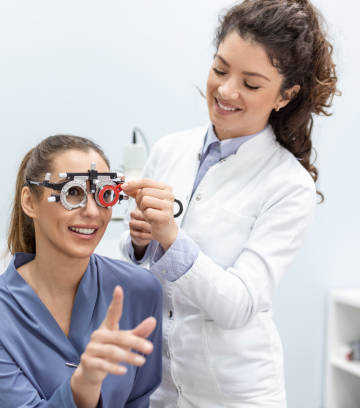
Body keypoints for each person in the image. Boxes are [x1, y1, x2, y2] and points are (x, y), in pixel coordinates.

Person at [119, 0, 338, 407]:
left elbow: (238, 304)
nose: (225, 90)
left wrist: (170, 237)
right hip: (163, 388)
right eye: (220, 69)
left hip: (236, 395)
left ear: (285, 95)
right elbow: (148, 270)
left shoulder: (288, 186)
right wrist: (138, 243)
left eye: (251, 84)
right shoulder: (169, 150)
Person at [0, 135, 163, 407]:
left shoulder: (139, 291)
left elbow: (140, 400)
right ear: (30, 202)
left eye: (104, 195)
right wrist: (83, 383)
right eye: (73, 193)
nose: (92, 212)